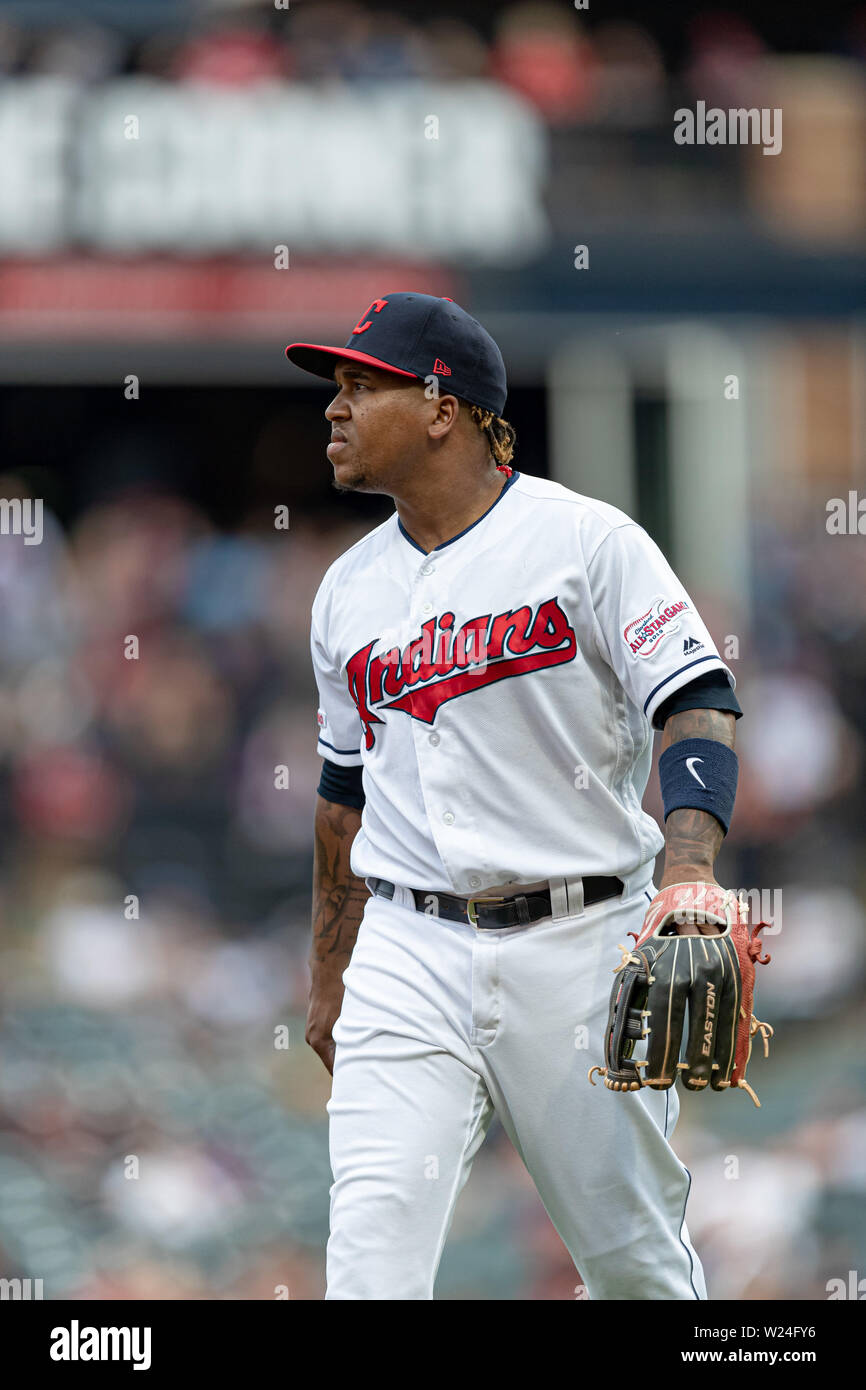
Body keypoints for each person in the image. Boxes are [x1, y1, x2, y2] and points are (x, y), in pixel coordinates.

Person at [286, 291, 742, 1300]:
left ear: (442, 405)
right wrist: (330, 975)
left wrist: (688, 870)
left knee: (631, 1267)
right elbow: (338, 793)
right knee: (368, 1260)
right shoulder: (344, 591)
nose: (335, 406)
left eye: (363, 385)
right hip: (410, 948)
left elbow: (696, 698)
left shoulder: (587, 542)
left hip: (578, 939)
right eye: (336, 387)